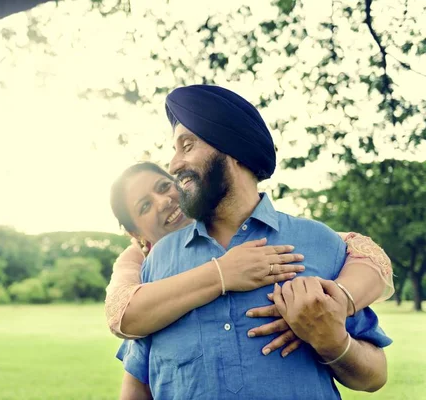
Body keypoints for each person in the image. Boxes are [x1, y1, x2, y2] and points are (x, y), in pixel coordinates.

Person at [112, 85, 392, 399]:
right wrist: (221, 274)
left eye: (186, 146)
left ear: (229, 144)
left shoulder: (320, 242)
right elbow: (138, 384)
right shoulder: (156, 264)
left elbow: (375, 376)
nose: (175, 164)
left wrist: (333, 341)